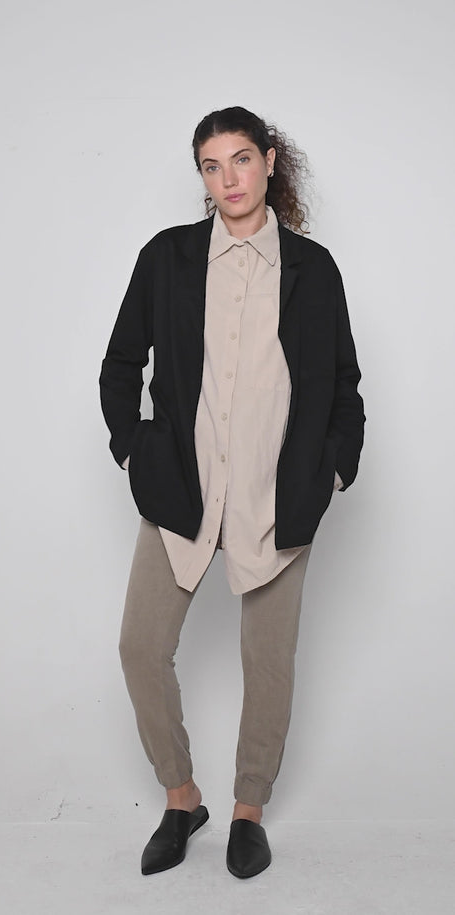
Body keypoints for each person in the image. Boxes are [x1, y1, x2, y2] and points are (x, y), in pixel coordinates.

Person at [99, 106, 364, 879]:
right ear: (203, 178)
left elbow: (343, 384)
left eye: (241, 159)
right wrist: (134, 450)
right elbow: (121, 364)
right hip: (182, 490)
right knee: (141, 647)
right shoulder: (168, 258)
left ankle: (249, 809)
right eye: (212, 167)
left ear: (270, 160)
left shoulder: (314, 269)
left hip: (276, 496)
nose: (229, 179)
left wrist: (332, 470)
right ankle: (182, 798)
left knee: (268, 663)